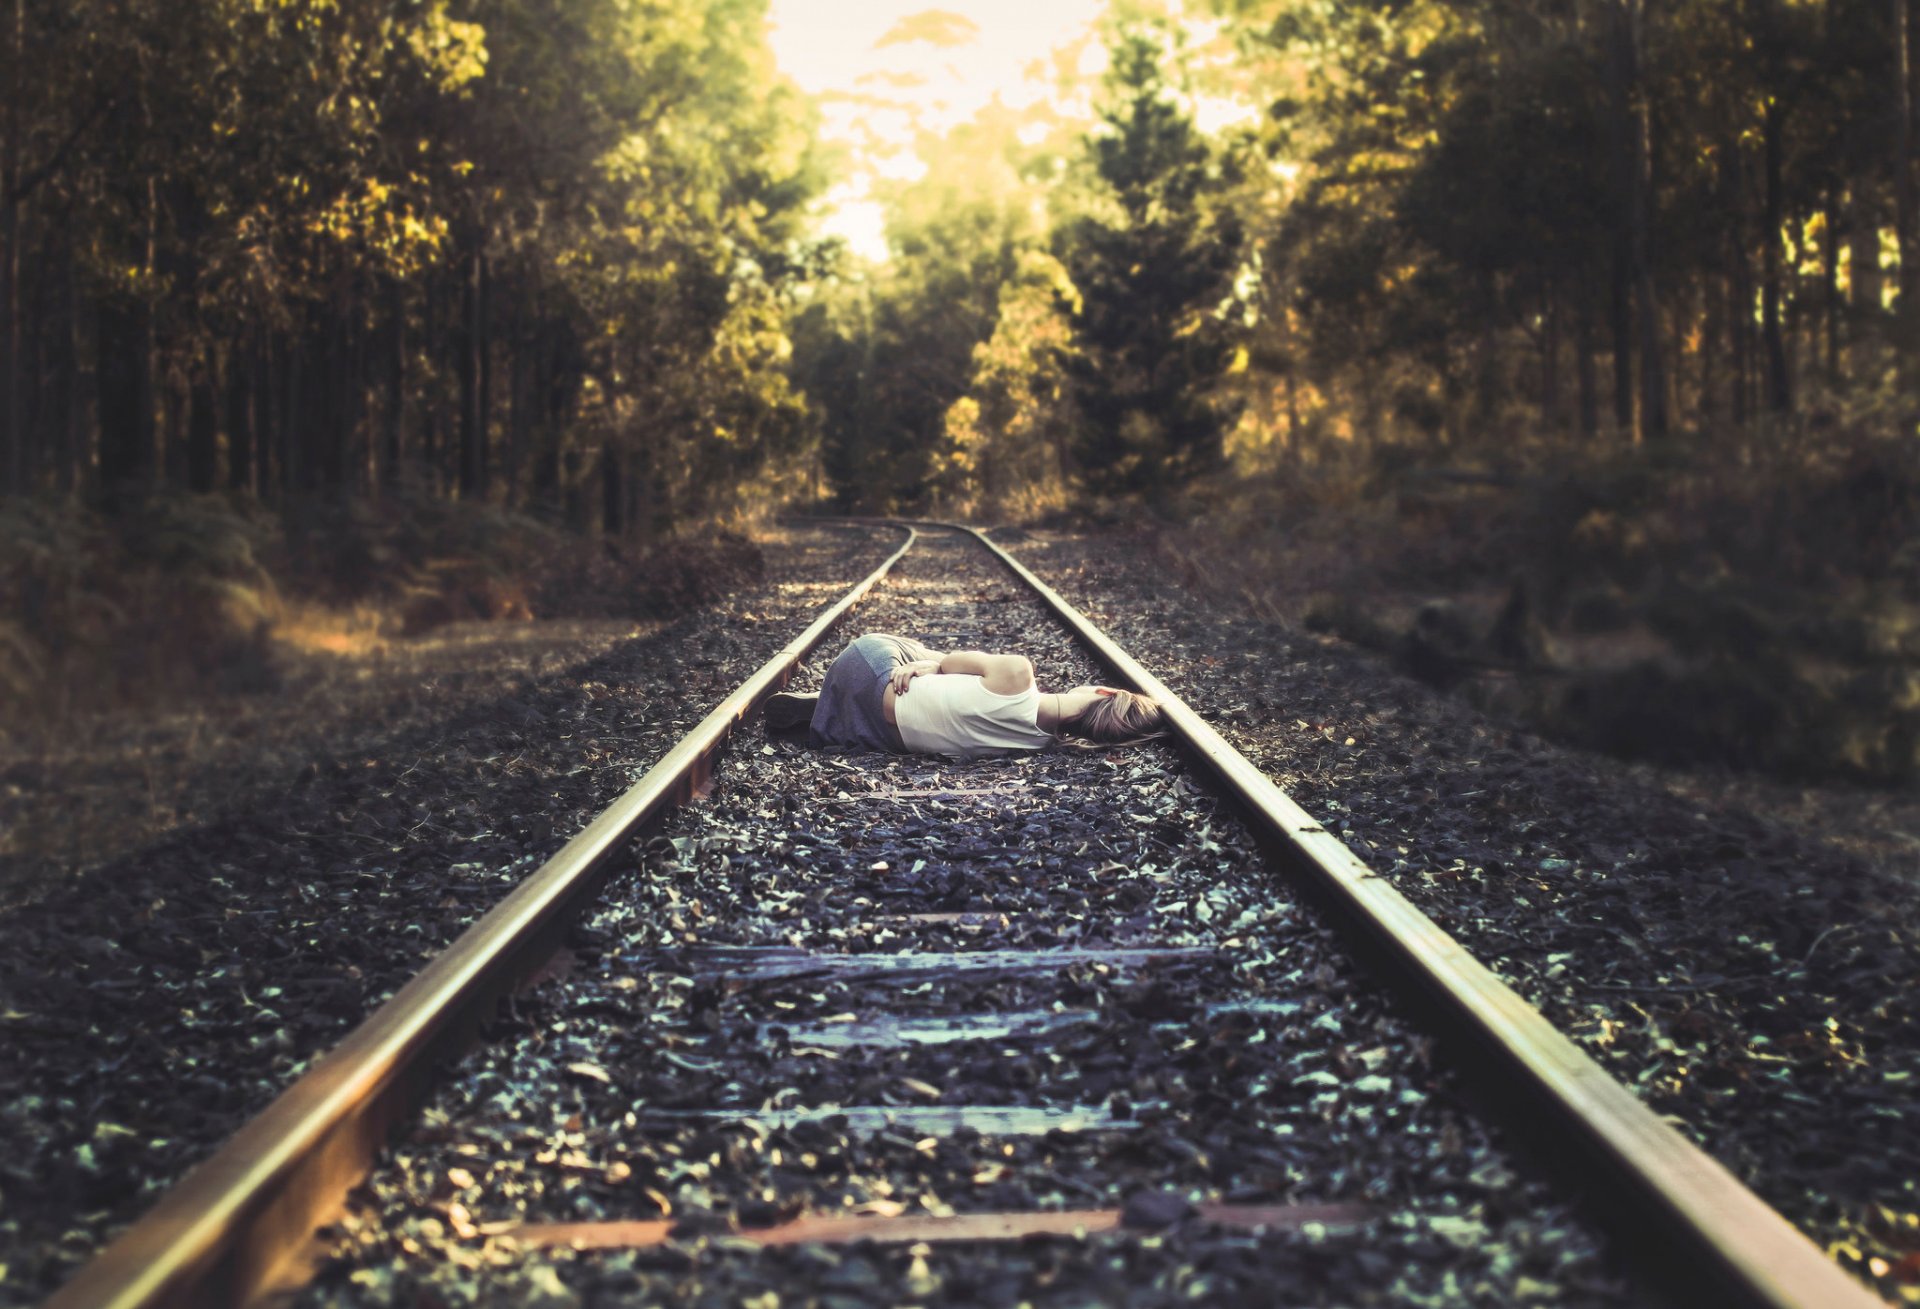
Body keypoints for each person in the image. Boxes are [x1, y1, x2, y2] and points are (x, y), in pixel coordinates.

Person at [762, 633, 1166, 758]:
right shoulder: (1036, 746)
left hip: (864, 670)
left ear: (1104, 691)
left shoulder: (1018, 673)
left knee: (921, 652)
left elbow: (951, 660)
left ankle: (834, 700)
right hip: (878, 737)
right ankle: (830, 716)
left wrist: (934, 665)